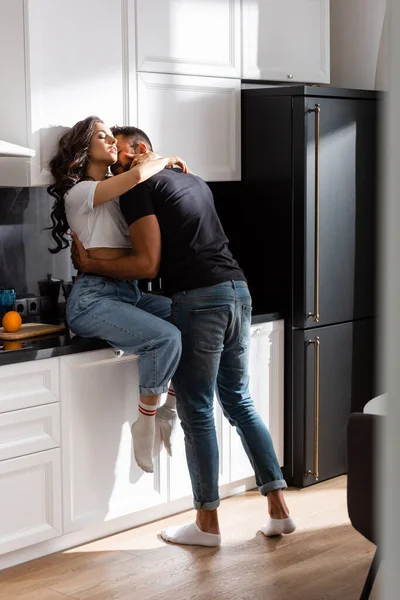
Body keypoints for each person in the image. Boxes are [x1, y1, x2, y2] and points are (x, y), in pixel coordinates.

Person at [71, 125, 296, 547]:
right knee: (239, 401)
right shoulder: (192, 179)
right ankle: (279, 508)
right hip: (237, 291)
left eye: (120, 156)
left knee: (197, 409)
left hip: (200, 300)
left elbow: (148, 265)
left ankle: (207, 523)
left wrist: (91, 265)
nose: (116, 166)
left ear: (140, 151)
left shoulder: (140, 187)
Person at [47, 116, 187, 474]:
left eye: (112, 136)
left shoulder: (121, 192)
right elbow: (139, 174)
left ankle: (170, 406)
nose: (111, 141)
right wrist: (163, 158)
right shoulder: (78, 192)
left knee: (192, 319)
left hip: (128, 293)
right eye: (102, 136)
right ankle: (146, 421)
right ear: (83, 150)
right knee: (166, 337)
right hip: (93, 300)